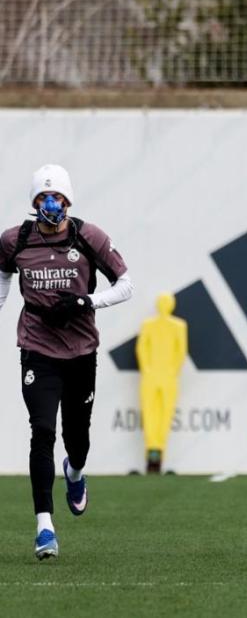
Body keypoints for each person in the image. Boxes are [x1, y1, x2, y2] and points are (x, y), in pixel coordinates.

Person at [0, 164, 133, 560]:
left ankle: (74, 472)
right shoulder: (15, 240)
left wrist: (85, 301)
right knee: (42, 430)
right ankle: (45, 527)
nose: (50, 204)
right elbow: (3, 275)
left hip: (80, 349)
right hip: (37, 347)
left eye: (56, 196)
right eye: (42, 197)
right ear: (33, 202)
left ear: (69, 199)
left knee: (77, 436)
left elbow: (127, 284)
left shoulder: (88, 237)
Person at [136, 292, 188, 474]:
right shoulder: (151, 325)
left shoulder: (178, 326)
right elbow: (142, 348)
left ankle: (156, 453)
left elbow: (180, 351)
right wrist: (149, 369)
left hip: (162, 377)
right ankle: (153, 452)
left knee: (161, 416)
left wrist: (170, 371)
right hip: (158, 376)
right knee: (153, 415)